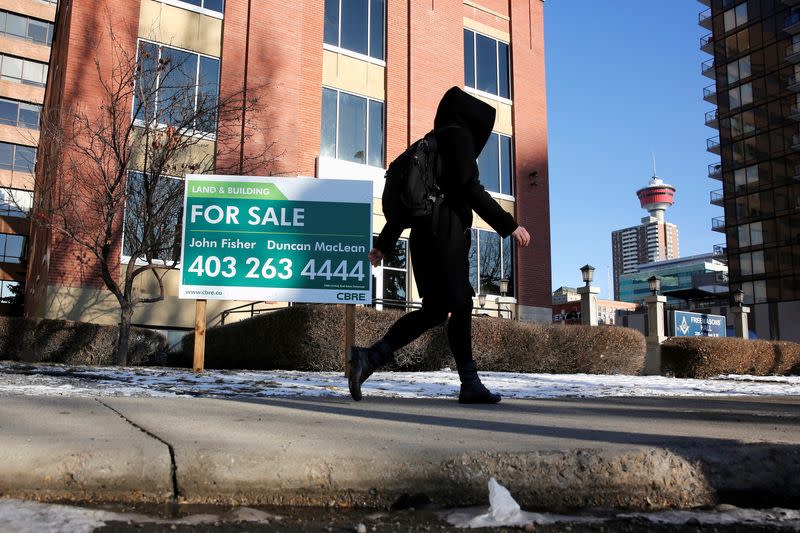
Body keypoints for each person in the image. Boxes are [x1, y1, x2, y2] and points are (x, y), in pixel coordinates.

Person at [349, 86, 531, 404]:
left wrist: (385, 242)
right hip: (444, 235)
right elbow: (469, 187)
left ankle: (370, 358)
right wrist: (509, 224)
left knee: (438, 310)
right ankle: (468, 383)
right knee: (459, 303)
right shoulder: (457, 137)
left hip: (424, 238)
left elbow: (410, 201)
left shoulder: (429, 143)